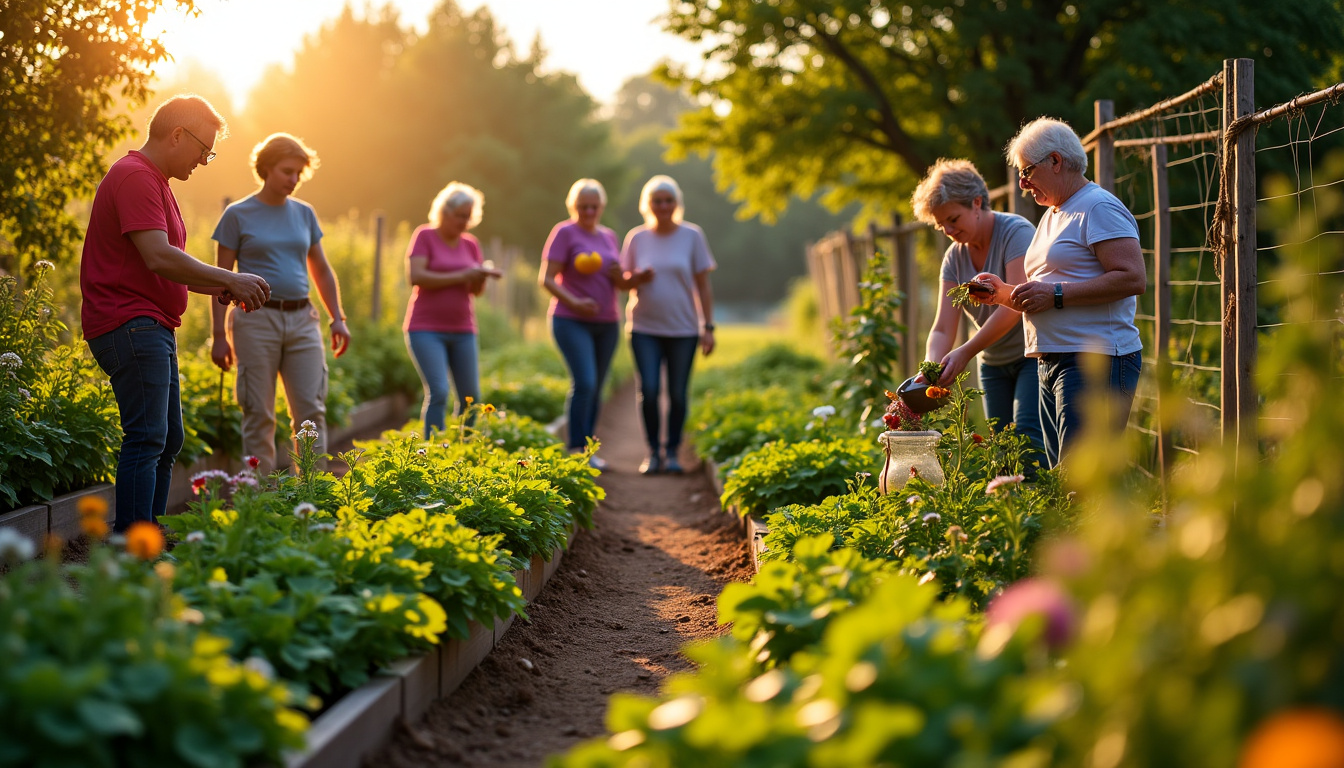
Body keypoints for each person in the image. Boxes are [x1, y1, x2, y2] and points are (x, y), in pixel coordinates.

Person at [81, 94, 270, 532]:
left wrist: (228, 285)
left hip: (150, 324)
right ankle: (133, 543)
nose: (205, 160)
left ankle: (151, 533)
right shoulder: (134, 177)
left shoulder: (158, 183)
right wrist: (229, 278)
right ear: (177, 134)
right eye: (204, 149)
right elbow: (159, 258)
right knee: (147, 437)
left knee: (167, 441)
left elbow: (172, 269)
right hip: (129, 321)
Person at [972, 117, 1146, 468]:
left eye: (1027, 171)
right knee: (1063, 479)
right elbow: (1047, 290)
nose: (1022, 184)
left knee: (1082, 481)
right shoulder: (1055, 213)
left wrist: (1056, 295)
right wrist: (1003, 293)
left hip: (1094, 360)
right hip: (1052, 361)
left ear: (1055, 161)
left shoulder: (1098, 207)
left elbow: (1132, 278)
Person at [210, 133, 350, 477]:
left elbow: (321, 269)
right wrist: (218, 334)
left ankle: (312, 494)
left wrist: (338, 318)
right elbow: (220, 280)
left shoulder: (305, 214)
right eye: (288, 171)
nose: (294, 180)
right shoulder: (237, 215)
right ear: (266, 168)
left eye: (299, 174)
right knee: (258, 412)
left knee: (311, 412)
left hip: (303, 320)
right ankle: (260, 499)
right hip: (255, 321)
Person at [911, 159, 1045, 460]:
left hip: (1032, 356)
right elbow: (944, 327)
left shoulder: (1015, 233)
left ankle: (1041, 507)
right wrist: (931, 367)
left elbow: (1014, 306)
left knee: (1027, 442)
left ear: (976, 203)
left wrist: (966, 351)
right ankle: (1008, 506)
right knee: (999, 451)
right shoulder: (954, 258)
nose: (947, 229)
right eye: (940, 224)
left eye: (953, 219)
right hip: (993, 364)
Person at [539, 179, 646, 470]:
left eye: (594, 206)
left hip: (606, 322)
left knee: (597, 387)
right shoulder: (564, 233)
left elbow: (619, 283)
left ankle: (588, 450)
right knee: (584, 382)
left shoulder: (609, 236)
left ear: (601, 207)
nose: (588, 211)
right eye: (583, 206)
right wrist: (574, 301)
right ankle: (575, 448)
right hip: (570, 319)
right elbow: (546, 278)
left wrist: (625, 277)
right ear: (573, 207)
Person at [620, 175, 716, 475]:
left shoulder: (692, 236)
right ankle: (653, 452)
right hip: (644, 327)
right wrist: (637, 278)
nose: (663, 206)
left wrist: (708, 327)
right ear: (647, 205)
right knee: (648, 389)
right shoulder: (636, 238)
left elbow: (703, 284)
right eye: (657, 201)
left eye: (668, 200)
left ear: (677, 203)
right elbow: (622, 281)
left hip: (684, 330)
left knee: (677, 393)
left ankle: (672, 451)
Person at [403, 181, 500, 435]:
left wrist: (479, 278)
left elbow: (474, 292)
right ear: (444, 212)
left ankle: (461, 448)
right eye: (460, 216)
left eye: (468, 217)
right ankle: (432, 451)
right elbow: (416, 276)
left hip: (463, 328)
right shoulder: (425, 236)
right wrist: (462, 274)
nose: (464, 222)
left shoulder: (471, 244)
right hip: (425, 328)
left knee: (471, 396)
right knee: (439, 391)